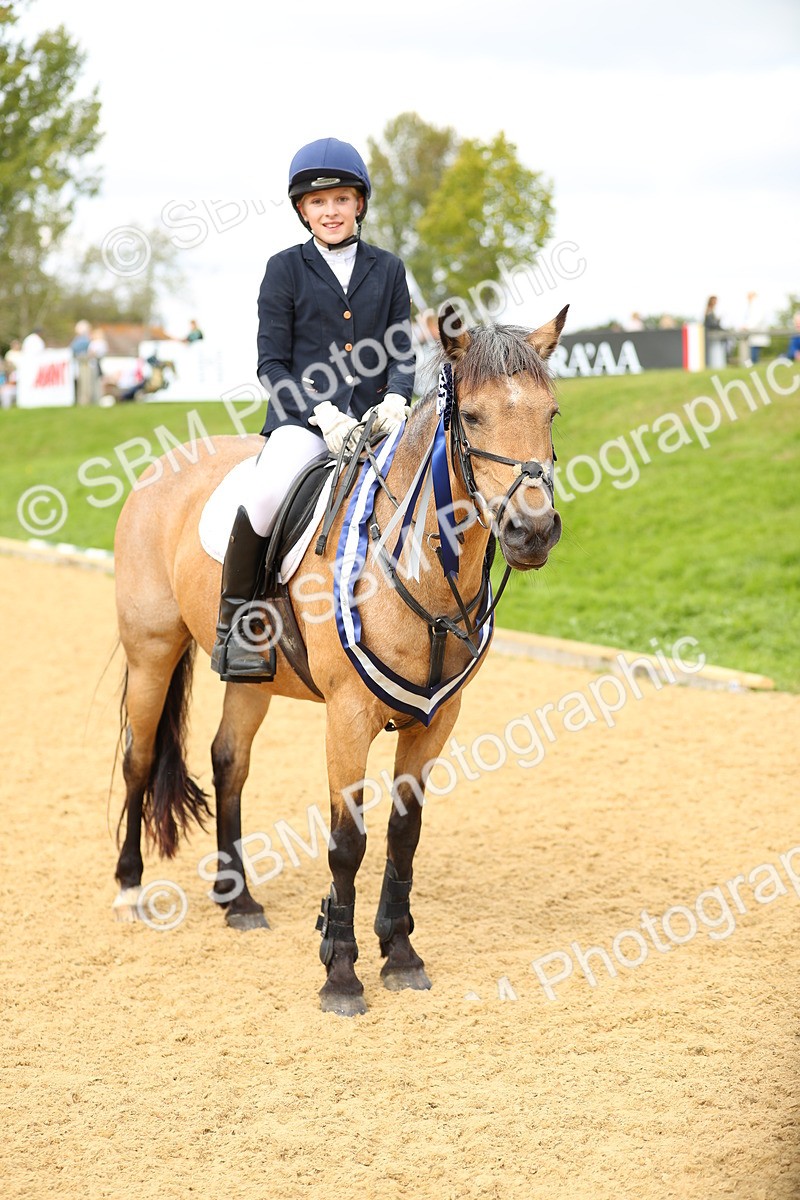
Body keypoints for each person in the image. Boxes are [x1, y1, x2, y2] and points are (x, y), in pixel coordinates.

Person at [211, 137, 415, 682]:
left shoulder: (389, 269)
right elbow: (271, 364)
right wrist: (322, 412)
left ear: (359, 205)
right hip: (306, 423)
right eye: (318, 203)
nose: (330, 211)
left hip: (377, 421)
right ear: (303, 210)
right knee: (265, 495)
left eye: (341, 200)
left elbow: (402, 350)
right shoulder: (285, 270)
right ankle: (239, 627)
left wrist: (398, 397)